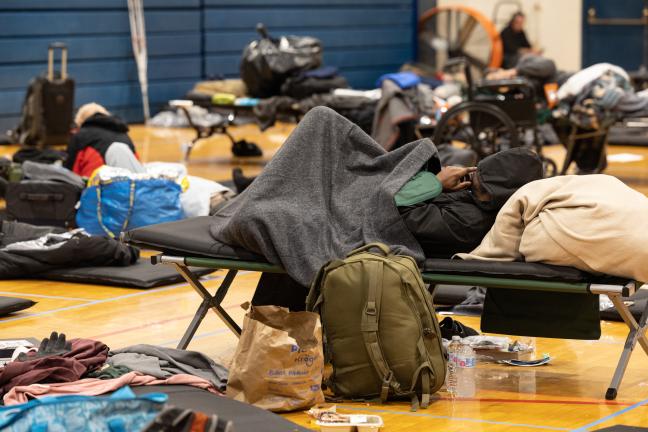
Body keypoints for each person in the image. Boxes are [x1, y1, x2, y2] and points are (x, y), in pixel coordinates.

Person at [399, 147, 544, 258]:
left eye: (479, 174)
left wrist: (436, 183)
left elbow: (396, 216)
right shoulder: (475, 201)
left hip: (385, 236)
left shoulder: (469, 222)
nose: (474, 173)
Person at [65, 103, 144, 177]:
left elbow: (69, 173)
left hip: (93, 186)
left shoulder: (80, 136)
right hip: (132, 186)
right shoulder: (124, 134)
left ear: (80, 121)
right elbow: (137, 164)